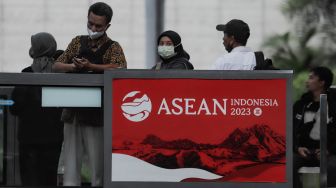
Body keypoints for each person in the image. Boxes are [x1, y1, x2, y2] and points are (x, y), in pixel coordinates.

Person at [52, 2, 127, 186]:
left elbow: (120, 67)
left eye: (98, 26)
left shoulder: (113, 47)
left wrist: (91, 67)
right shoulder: (78, 41)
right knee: (70, 162)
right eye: (90, 23)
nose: (93, 28)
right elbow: (56, 65)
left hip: (97, 112)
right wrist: (73, 66)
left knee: (97, 164)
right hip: (73, 110)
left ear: (107, 26)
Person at [10, 32, 64, 186]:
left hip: (30, 140)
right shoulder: (59, 73)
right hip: (53, 139)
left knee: (30, 181)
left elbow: (15, 108)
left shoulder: (27, 74)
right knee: (48, 180)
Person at [293, 66, 336, 187]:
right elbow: (290, 130)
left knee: (333, 167)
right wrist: (297, 148)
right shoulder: (301, 104)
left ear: (322, 82)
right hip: (303, 151)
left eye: (311, 78)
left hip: (329, 152)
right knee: (287, 164)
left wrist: (329, 150)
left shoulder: (333, 106)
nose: (307, 81)